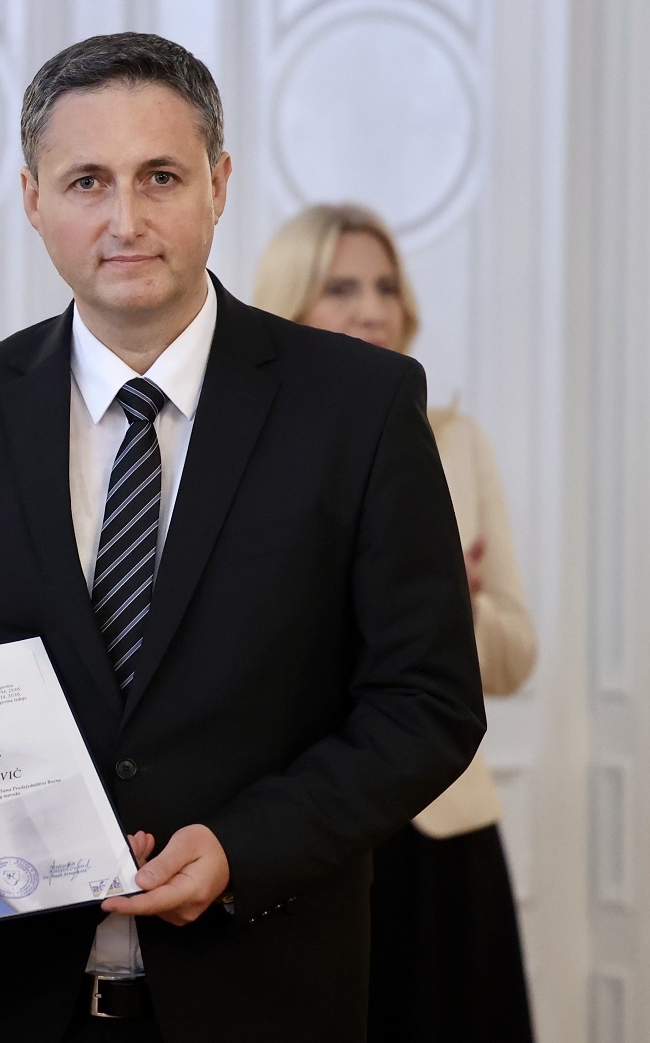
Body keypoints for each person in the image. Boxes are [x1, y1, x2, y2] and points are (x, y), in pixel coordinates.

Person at [0, 32, 486, 1042]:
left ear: (218, 184)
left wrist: (245, 849)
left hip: (257, 995)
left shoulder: (359, 404)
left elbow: (426, 703)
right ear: (33, 199)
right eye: (87, 182)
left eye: (160, 176)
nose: (126, 220)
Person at [254, 203, 538, 1043]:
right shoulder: (239, 450)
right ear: (288, 301)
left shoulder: (456, 442)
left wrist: (444, 602)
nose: (372, 309)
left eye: (385, 287)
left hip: (445, 829)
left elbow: (514, 658)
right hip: (304, 828)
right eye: (341, 288)